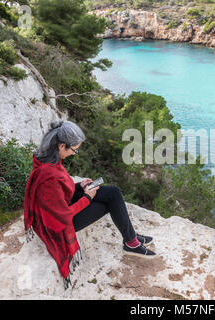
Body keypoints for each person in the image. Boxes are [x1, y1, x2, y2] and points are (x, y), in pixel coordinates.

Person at [23, 120, 156, 289]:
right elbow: (62, 214)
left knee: (113, 193)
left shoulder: (50, 160)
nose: (73, 153)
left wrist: (79, 186)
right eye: (74, 150)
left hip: (62, 204)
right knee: (109, 203)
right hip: (62, 222)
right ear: (61, 146)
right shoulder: (48, 174)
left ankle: (131, 238)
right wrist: (86, 198)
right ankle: (131, 242)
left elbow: (61, 189)